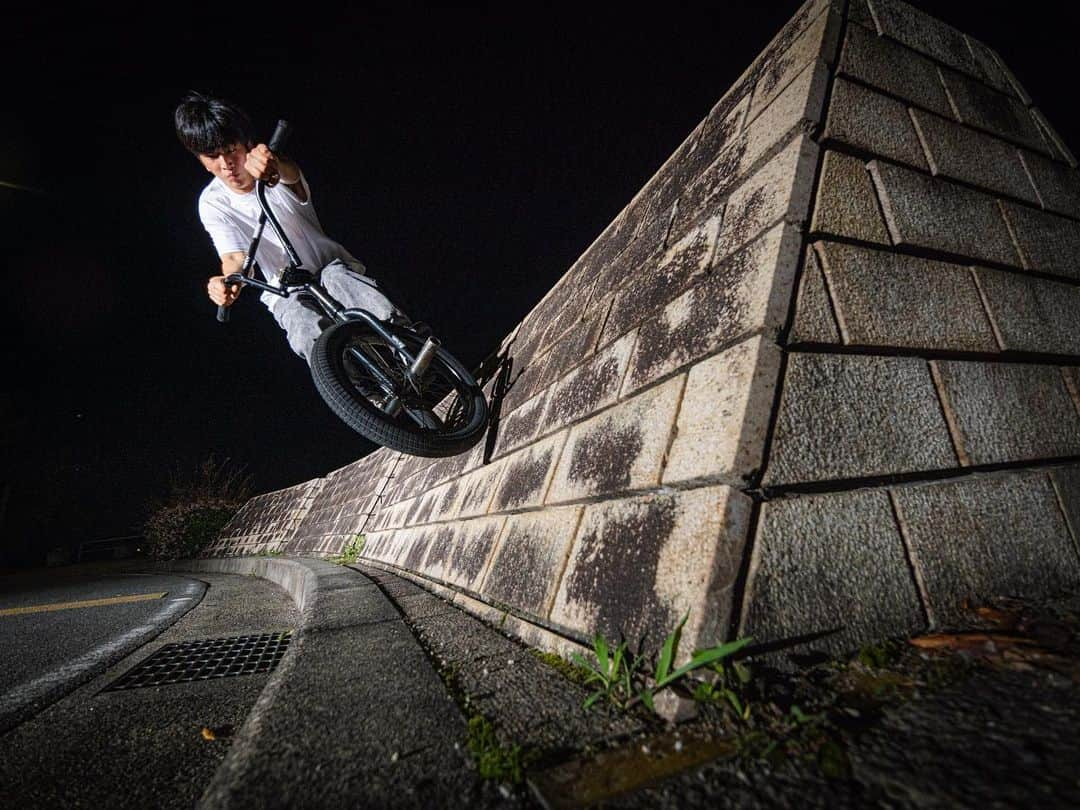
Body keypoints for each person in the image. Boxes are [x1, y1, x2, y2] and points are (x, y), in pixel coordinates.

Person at [173, 91, 401, 362]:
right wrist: (227, 282)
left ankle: (411, 343)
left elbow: (291, 177)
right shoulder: (212, 203)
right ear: (200, 159)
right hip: (286, 290)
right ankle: (359, 390)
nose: (226, 165)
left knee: (340, 281)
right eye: (212, 156)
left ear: (245, 143)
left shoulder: (269, 162)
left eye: (231, 150)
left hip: (328, 266)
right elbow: (235, 257)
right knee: (301, 324)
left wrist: (275, 165)